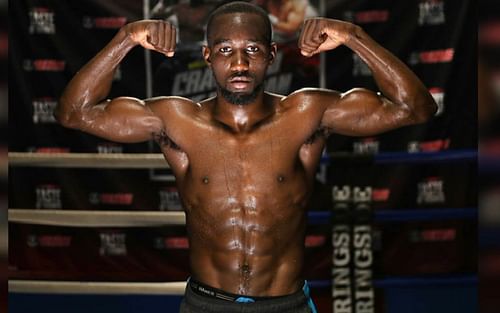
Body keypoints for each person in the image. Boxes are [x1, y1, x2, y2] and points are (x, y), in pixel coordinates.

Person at [55, 2, 437, 312]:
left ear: (271, 54)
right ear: (207, 56)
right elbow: (74, 113)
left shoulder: (307, 113)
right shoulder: (176, 120)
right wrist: (126, 37)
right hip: (206, 304)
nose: (239, 64)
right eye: (225, 51)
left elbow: (414, 109)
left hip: (286, 304)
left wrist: (354, 35)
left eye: (252, 50)